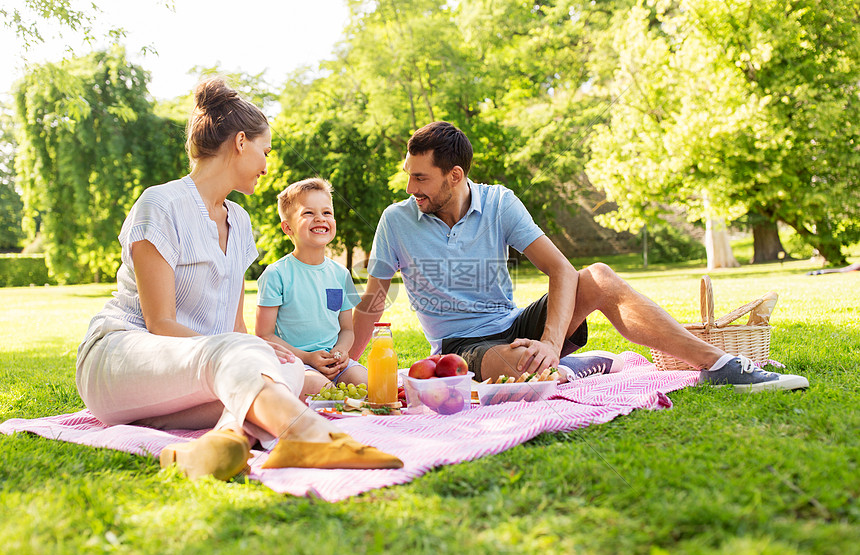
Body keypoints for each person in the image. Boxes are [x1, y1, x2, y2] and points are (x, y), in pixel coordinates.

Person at [75, 79, 402, 482]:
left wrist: (269, 353)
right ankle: (307, 436)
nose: (267, 165)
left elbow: (235, 328)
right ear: (241, 142)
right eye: (265, 151)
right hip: (121, 359)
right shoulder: (160, 204)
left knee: (291, 374)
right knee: (255, 363)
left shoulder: (240, 221)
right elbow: (160, 324)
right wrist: (247, 348)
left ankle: (215, 444)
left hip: (201, 372)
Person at [349, 121, 809, 394]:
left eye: (421, 178)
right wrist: (345, 361)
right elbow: (374, 301)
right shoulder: (397, 220)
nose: (412, 189)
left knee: (600, 276)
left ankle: (720, 365)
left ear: (454, 175)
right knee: (517, 368)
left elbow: (562, 271)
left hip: (515, 324)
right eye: (409, 176)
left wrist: (550, 340)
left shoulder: (500, 203)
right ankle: (564, 366)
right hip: (460, 347)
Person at [255, 178, 366, 396]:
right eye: (308, 213)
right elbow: (264, 335)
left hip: (334, 362)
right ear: (288, 227)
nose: (320, 219)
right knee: (319, 389)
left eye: (327, 213)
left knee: (370, 384)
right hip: (295, 362)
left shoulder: (341, 274)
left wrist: (341, 351)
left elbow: (347, 329)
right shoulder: (276, 274)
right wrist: (306, 358)